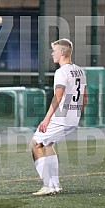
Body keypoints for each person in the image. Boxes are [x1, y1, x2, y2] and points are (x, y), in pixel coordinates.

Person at [29, 38, 87, 196]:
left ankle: (48, 185)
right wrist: (75, 113)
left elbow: (58, 96)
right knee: (47, 144)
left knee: (35, 144)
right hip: (73, 118)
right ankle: (55, 184)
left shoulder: (61, 72)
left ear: (62, 52)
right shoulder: (80, 71)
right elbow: (85, 97)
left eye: (54, 51)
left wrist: (47, 118)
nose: (52, 54)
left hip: (61, 118)